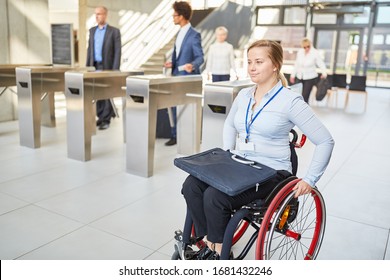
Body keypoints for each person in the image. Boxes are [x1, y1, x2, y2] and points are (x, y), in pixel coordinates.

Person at [181, 39, 334, 260]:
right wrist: (226, 153)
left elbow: (325, 141)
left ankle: (218, 251)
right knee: (192, 185)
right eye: (249, 61)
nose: (252, 67)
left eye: (259, 62)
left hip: (271, 172)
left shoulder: (290, 101)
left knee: (215, 197)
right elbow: (230, 124)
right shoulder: (244, 95)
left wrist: (309, 180)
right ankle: (209, 241)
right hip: (240, 164)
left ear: (275, 65)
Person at [163, 1, 204, 146]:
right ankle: (175, 135)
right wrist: (172, 64)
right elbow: (178, 55)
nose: (173, 18)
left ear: (181, 16)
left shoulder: (194, 35)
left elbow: (200, 57)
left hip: (187, 78)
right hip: (176, 75)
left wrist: (192, 65)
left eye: (174, 15)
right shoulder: (179, 33)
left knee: (186, 108)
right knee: (174, 106)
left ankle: (187, 135)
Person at [86, 6, 121, 130]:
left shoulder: (114, 31)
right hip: (94, 66)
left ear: (105, 15)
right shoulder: (92, 31)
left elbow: (117, 51)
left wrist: (115, 69)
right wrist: (87, 67)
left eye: (99, 14)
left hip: (108, 67)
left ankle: (105, 119)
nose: (97, 16)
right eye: (95, 14)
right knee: (97, 93)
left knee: (106, 93)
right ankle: (101, 116)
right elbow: (89, 49)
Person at [289, 38, 327, 103]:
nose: (306, 48)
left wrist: (324, 73)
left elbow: (321, 64)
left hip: (310, 78)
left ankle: (305, 112)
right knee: (297, 95)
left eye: (308, 46)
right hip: (300, 76)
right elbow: (297, 64)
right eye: (304, 47)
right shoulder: (300, 52)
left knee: (305, 96)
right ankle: (298, 111)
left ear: (310, 45)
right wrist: (292, 75)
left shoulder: (315, 53)